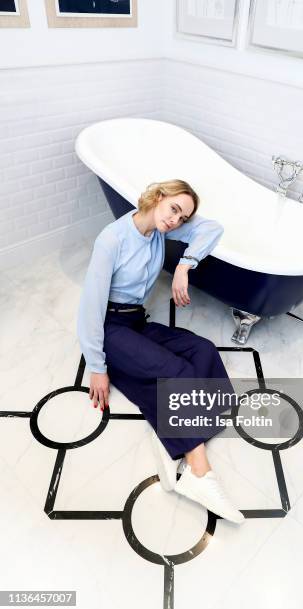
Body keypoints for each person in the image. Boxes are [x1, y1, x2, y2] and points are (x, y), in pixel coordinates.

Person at [77, 179, 245, 524]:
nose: (176, 221)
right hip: (110, 328)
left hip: (136, 323)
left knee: (203, 351)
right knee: (177, 372)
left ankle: (174, 440)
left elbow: (213, 228)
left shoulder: (158, 232)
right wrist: (96, 366)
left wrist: (185, 264)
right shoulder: (112, 240)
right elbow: (89, 307)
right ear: (157, 197)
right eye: (173, 209)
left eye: (183, 218)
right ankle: (200, 474)